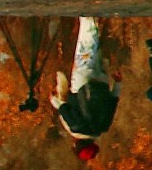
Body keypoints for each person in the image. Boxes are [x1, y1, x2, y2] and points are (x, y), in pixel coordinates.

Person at [51, 16, 120, 159]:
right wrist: (52, 99)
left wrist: (118, 83)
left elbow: (113, 101)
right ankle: (87, 18)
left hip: (102, 83)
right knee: (85, 48)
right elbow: (63, 107)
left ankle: (97, 22)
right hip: (81, 84)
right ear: (77, 145)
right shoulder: (75, 128)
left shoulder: (103, 127)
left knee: (96, 52)